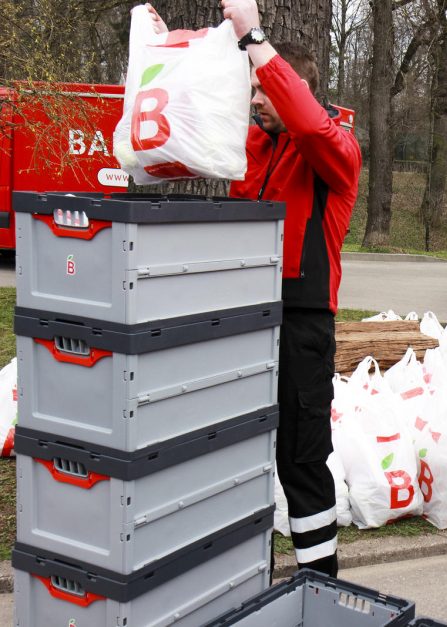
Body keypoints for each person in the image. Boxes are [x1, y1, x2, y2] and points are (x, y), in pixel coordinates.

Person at [147, 1, 361, 575]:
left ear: (297, 89)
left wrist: (255, 36)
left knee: (301, 460)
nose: (254, 101)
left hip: (301, 329)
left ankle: (320, 584)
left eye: (262, 91)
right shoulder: (253, 148)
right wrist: (171, 60)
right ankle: (247, 577)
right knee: (236, 453)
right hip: (245, 324)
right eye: (252, 91)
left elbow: (310, 122)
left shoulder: (335, 150)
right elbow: (191, 126)